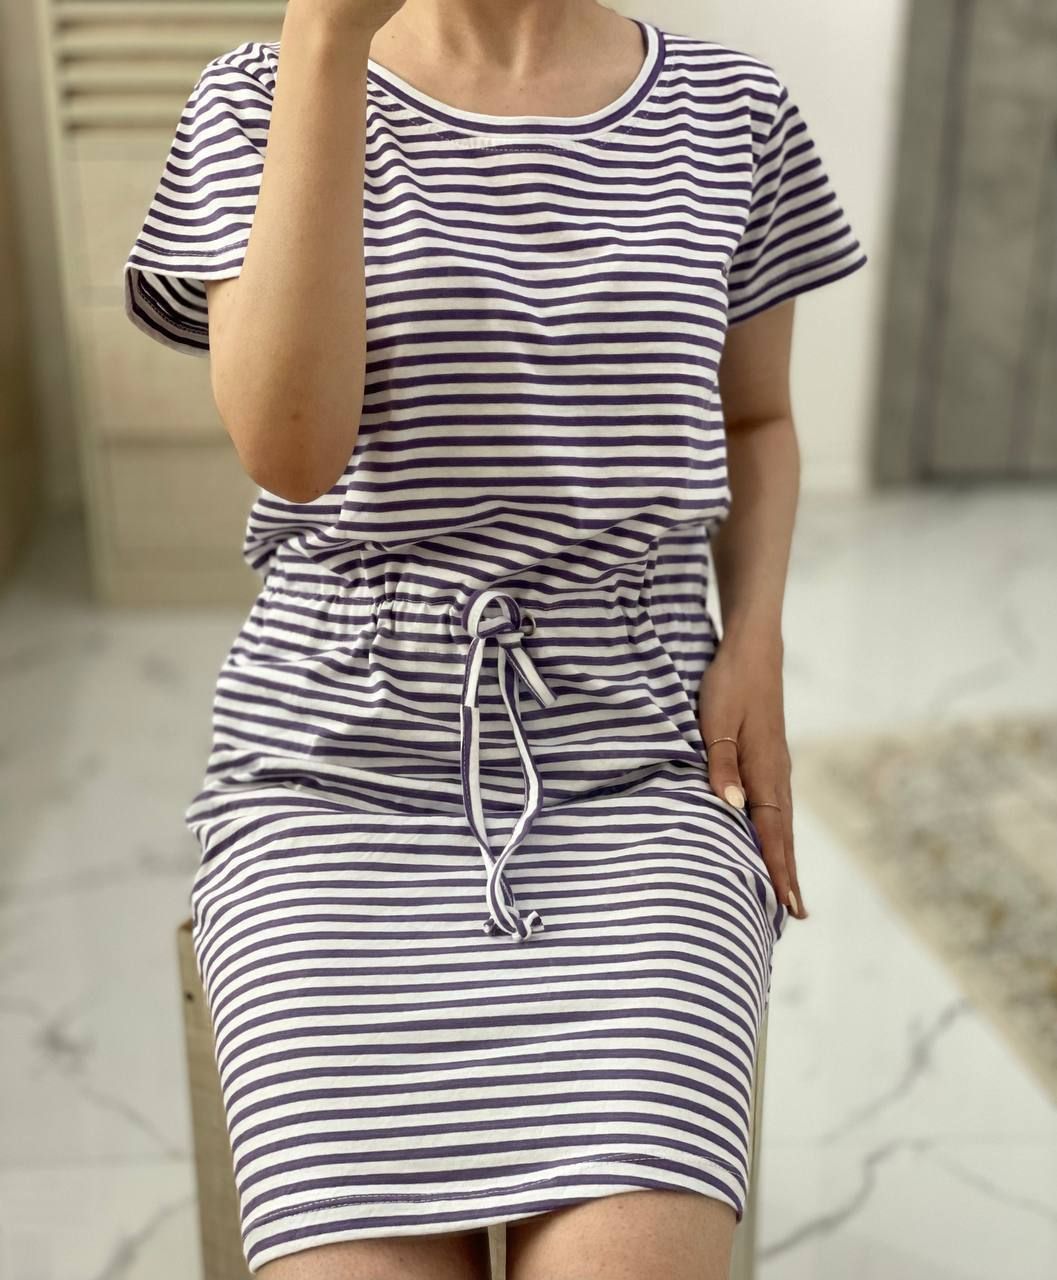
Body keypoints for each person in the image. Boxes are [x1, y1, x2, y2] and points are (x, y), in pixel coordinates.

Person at [123, 1, 867, 1276]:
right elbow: (291, 453)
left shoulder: (733, 112)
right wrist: (324, 44)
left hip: (632, 758)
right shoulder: (258, 95)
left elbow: (755, 420)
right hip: (332, 775)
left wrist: (754, 640)